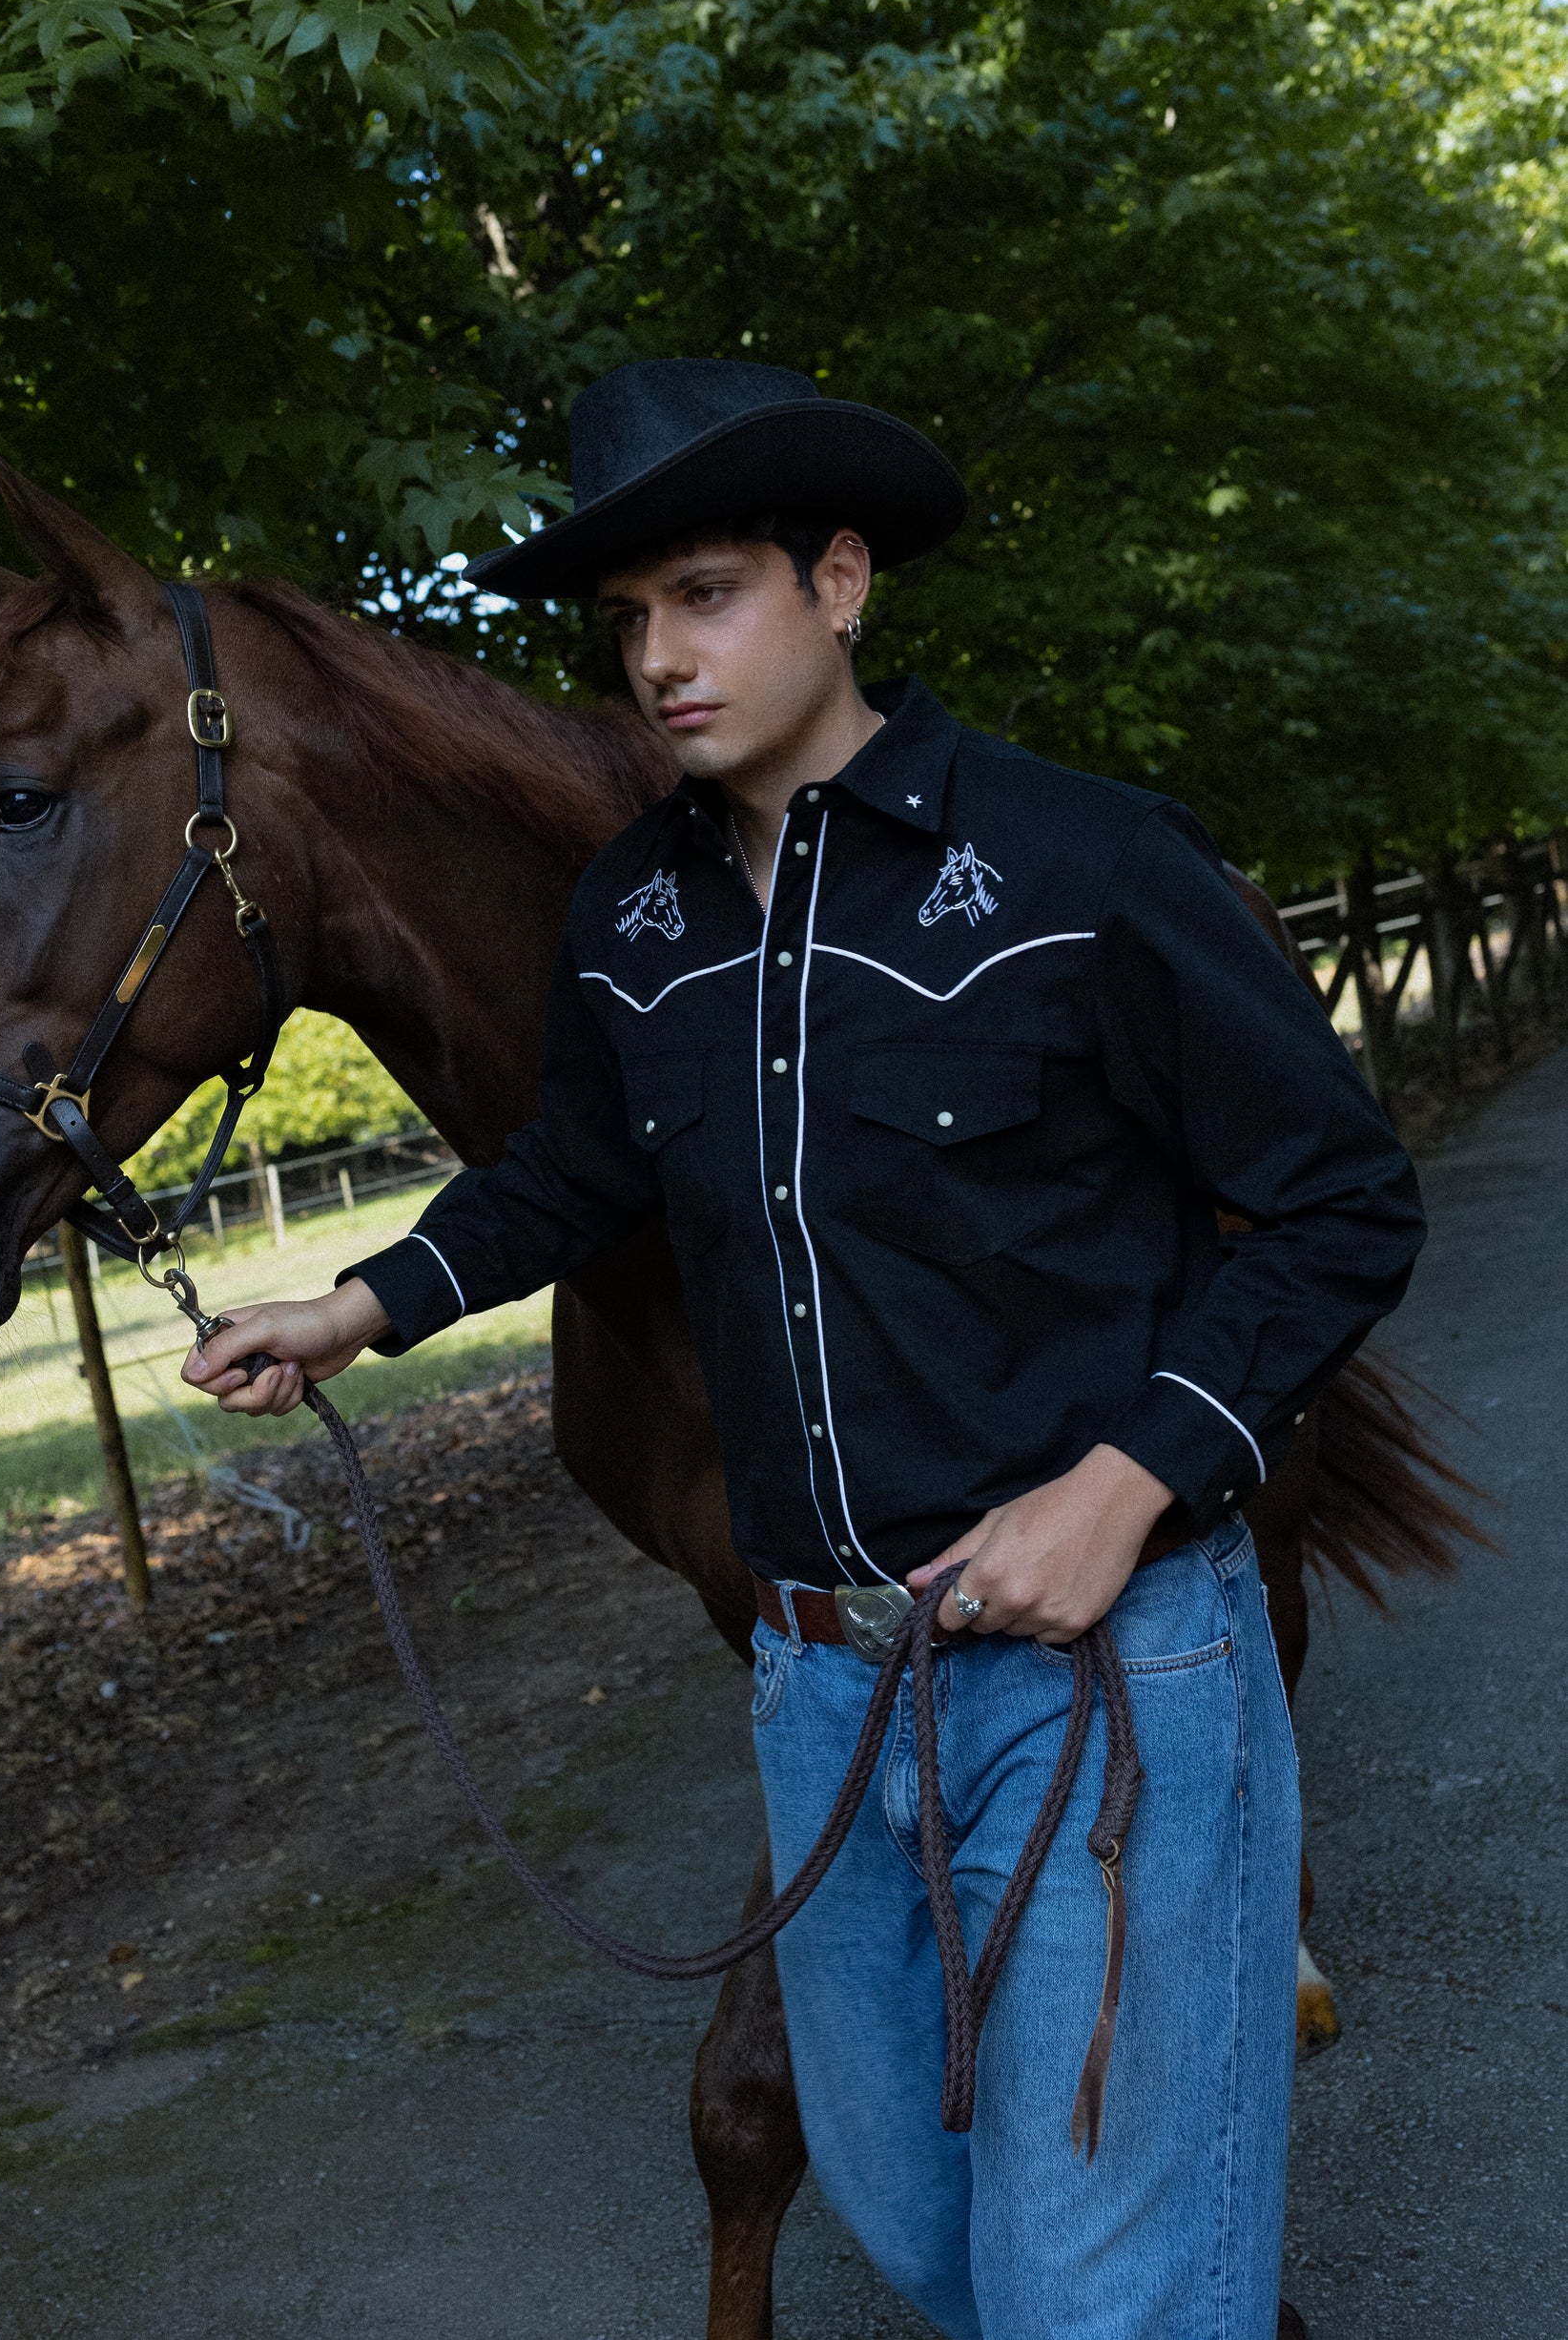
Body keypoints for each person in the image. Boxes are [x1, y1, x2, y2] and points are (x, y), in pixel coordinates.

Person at [183, 358, 1424, 2339]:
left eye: (705, 595)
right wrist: (361, 1302)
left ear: (839, 579)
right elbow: (572, 1170)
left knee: (1094, 2293)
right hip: (823, 1692)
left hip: (1107, 1673)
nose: (656, 657)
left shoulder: (1081, 866)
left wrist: (1123, 1485)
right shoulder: (633, 918)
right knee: (923, 2229)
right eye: (624, 620)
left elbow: (1344, 1198)